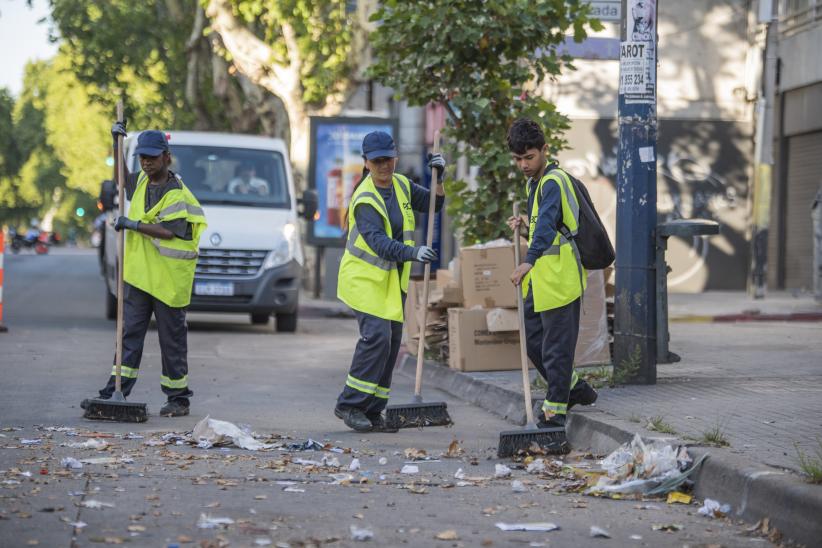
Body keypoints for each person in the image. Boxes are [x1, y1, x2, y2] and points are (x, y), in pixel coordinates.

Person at [81, 124, 207, 417]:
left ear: (166, 157)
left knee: (171, 340)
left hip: (168, 280)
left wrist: (133, 224)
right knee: (129, 334)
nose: (147, 162)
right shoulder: (140, 181)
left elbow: (168, 231)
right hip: (140, 277)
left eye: (152, 157)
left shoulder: (176, 192)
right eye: (142, 158)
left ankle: (178, 399)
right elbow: (122, 180)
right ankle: (115, 390)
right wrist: (116, 142)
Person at [334, 131, 446, 432]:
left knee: (392, 343)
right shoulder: (365, 199)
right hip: (364, 280)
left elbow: (434, 203)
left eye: (389, 158)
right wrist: (413, 252)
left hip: (391, 282)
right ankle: (349, 405)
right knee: (377, 339)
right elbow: (380, 244)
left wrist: (440, 176)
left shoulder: (401, 185)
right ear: (367, 163)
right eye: (378, 161)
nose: (385, 166)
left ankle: (373, 410)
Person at [506, 118, 598, 449]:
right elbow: (546, 227)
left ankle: (554, 414)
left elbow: (547, 227)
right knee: (534, 345)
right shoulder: (536, 183)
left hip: (560, 280)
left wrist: (528, 259)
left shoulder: (553, 183)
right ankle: (576, 389)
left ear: (545, 150)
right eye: (517, 160)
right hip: (541, 282)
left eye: (528, 157)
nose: (523, 165)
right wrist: (524, 227)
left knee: (556, 350)